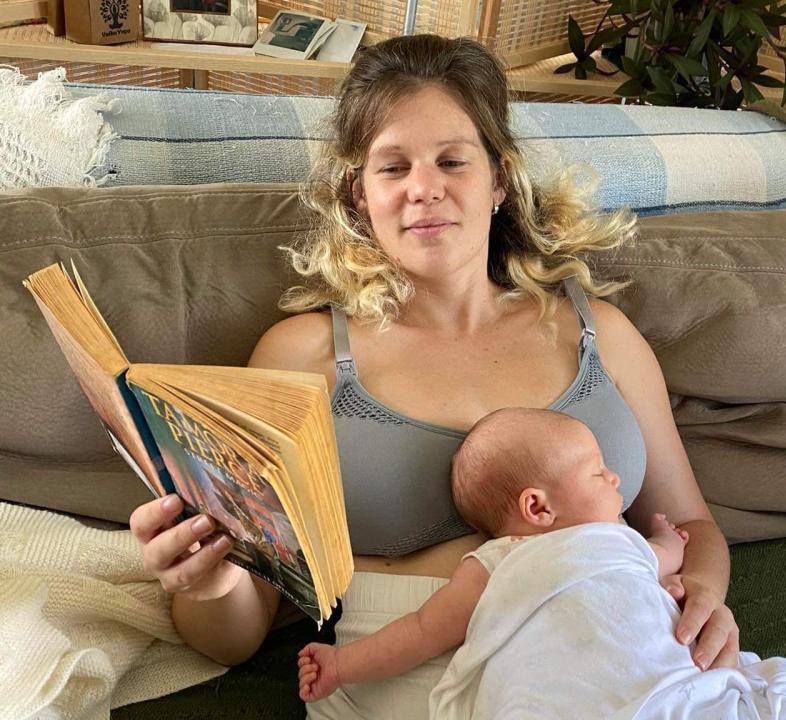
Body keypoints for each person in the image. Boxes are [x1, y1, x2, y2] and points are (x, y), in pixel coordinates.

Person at [128, 33, 740, 716]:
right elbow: (239, 633)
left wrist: (707, 594)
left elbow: (689, 522)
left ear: (500, 179)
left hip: (625, 670)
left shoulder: (602, 333)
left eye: (453, 159)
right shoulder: (300, 360)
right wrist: (204, 586)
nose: (425, 188)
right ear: (358, 193)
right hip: (405, 684)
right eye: (393, 168)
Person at [297, 407, 689, 704]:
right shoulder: (499, 562)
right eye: (598, 471)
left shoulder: (616, 542)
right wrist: (341, 665)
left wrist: (667, 538)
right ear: (537, 508)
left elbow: (660, 557)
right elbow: (421, 632)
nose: (614, 477)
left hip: (656, 677)